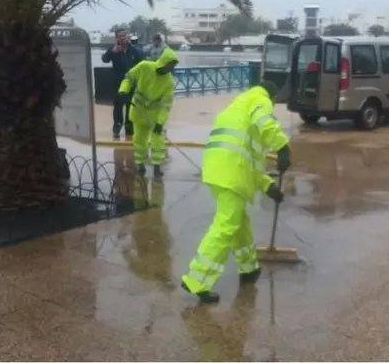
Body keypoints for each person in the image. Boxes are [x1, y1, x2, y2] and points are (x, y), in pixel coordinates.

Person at [180, 81, 291, 304]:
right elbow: (266, 123)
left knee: (239, 221)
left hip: (219, 169)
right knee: (226, 224)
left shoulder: (238, 106)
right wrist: (282, 146)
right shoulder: (260, 100)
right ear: (272, 97)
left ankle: (248, 268)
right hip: (231, 171)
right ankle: (197, 280)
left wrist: (269, 186)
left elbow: (251, 161)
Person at [118, 47, 178, 177]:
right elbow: (129, 78)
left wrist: (160, 122)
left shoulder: (169, 81)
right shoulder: (144, 67)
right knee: (139, 139)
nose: (171, 68)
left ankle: (157, 166)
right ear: (164, 61)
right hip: (139, 111)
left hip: (155, 117)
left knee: (158, 141)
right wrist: (123, 90)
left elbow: (166, 104)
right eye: (170, 64)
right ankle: (140, 165)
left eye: (173, 65)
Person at [102, 29, 144, 140]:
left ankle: (129, 131)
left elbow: (143, 65)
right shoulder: (113, 49)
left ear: (127, 37)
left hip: (132, 85)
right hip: (118, 84)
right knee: (118, 108)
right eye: (119, 36)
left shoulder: (135, 50)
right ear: (116, 38)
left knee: (131, 108)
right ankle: (116, 129)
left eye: (124, 36)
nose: (122, 38)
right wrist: (112, 52)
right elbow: (104, 59)